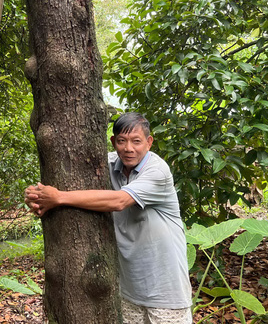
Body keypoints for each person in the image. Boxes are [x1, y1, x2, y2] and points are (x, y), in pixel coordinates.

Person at [25, 112, 193, 324]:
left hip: (167, 290)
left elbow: (119, 201)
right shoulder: (108, 164)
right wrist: (38, 195)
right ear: (113, 142)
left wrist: (58, 197)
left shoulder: (157, 171)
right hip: (129, 290)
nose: (129, 148)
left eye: (136, 141)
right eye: (122, 141)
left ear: (149, 142)